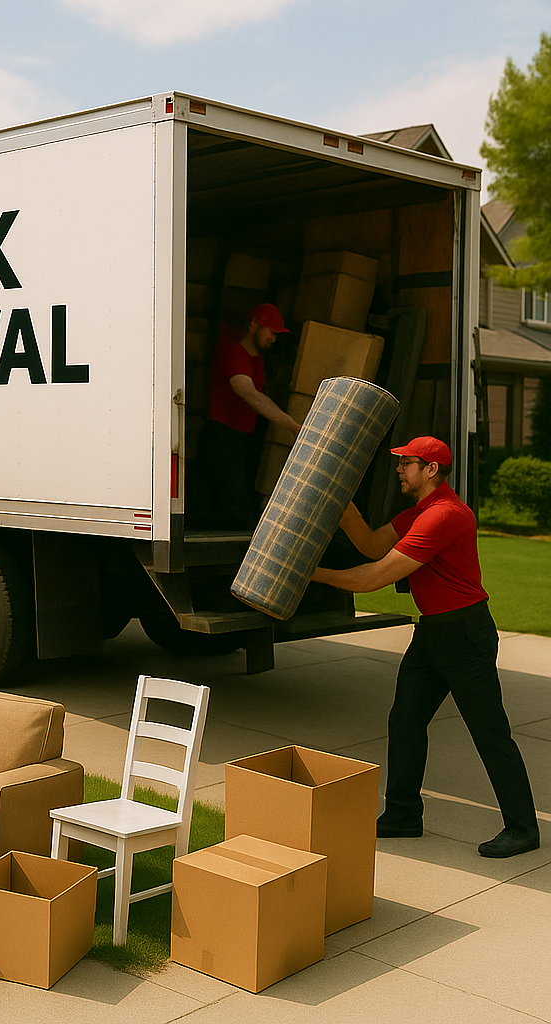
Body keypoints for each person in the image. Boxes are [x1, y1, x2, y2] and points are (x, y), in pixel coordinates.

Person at [312, 436, 540, 859]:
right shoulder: (420, 511)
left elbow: (372, 576)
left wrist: (310, 573)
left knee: (490, 734)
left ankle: (523, 828)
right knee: (405, 720)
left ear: (430, 469)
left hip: (464, 635)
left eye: (406, 463)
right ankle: (402, 814)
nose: (398, 469)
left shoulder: (445, 516)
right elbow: (373, 544)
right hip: (434, 633)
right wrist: (342, 508)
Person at [198, 303, 301, 529]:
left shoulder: (258, 360)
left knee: (227, 506)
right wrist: (291, 424)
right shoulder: (235, 352)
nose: (274, 338)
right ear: (254, 325)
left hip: (239, 439)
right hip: (221, 436)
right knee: (236, 513)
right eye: (271, 332)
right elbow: (247, 392)